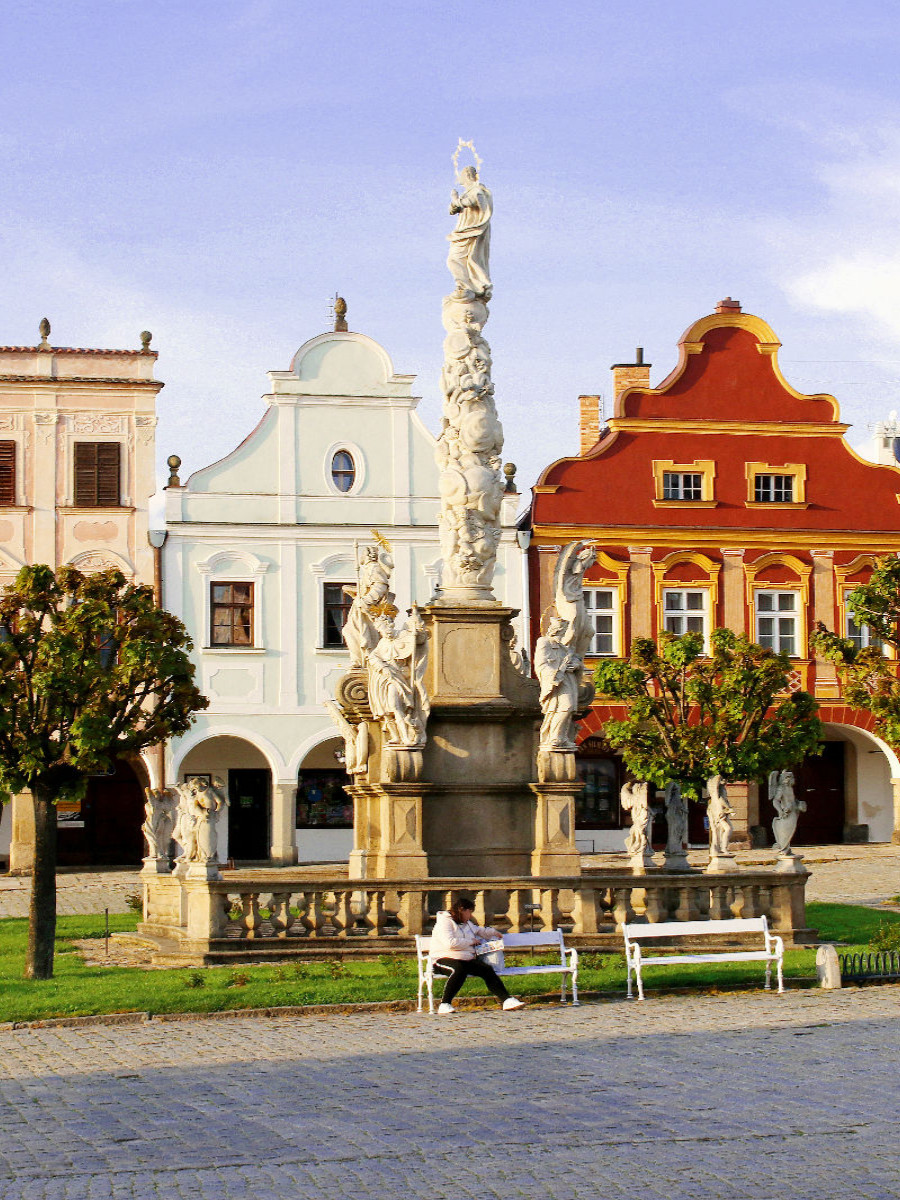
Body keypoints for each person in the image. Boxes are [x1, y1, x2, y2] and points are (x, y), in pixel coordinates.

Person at [430, 897, 524, 1014]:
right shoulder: (445, 923)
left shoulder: (467, 924)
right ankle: (445, 1004)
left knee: (487, 969)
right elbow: (450, 943)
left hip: (464, 958)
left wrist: (493, 933)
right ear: (462, 910)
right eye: (469, 912)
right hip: (442, 958)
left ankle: (507, 1000)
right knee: (459, 970)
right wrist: (470, 941)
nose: (470, 915)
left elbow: (479, 931)